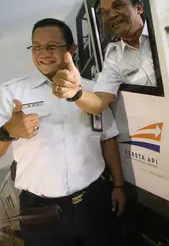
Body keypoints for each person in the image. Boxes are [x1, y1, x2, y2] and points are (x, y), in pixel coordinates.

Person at [0, 18, 126, 246]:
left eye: (51, 46)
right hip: (42, 212)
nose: (43, 53)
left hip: (93, 202)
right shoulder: (11, 94)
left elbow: (108, 137)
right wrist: (7, 132)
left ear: (71, 49)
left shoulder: (93, 91)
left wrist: (118, 185)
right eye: (36, 46)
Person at [51, 0, 156, 114]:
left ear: (139, 8)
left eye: (118, 5)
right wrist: (75, 92)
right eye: (105, 12)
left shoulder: (162, 32)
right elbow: (99, 102)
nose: (111, 15)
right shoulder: (114, 58)